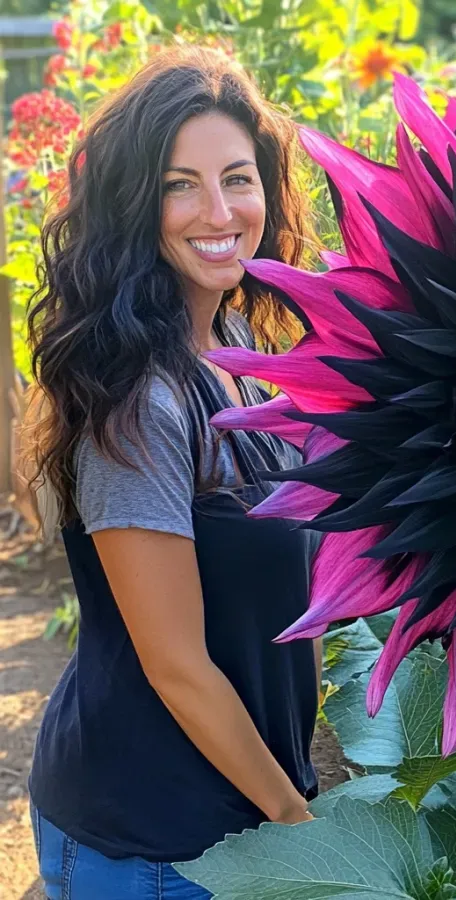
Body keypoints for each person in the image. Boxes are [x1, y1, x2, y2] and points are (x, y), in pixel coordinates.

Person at [24, 47, 321, 899]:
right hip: (153, 842)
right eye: (178, 185)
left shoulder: (247, 355)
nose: (218, 210)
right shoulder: (141, 404)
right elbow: (177, 664)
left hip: (236, 811)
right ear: (133, 205)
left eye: (239, 178)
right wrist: (300, 827)